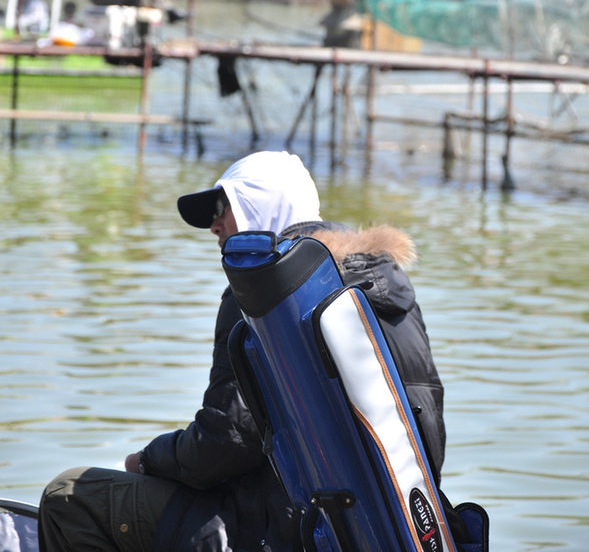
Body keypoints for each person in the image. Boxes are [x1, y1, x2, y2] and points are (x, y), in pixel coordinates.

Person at [38, 150, 455, 552]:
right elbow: (428, 431)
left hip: (280, 530)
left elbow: (226, 442)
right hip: (395, 527)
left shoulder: (262, 293)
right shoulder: (389, 290)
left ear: (261, 208)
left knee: (69, 495)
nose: (215, 225)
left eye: (225, 205)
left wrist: (148, 459)